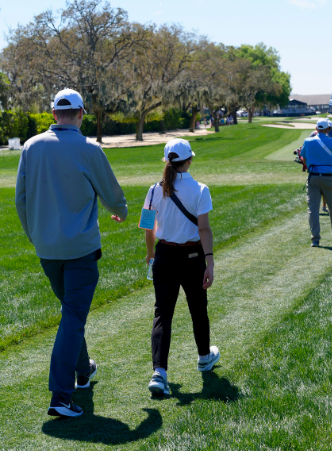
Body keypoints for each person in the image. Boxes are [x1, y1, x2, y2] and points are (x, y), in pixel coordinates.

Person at [15, 88, 129, 418]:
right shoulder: (89, 148)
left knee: (71, 314)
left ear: (54, 115)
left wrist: (36, 236)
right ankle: (60, 396)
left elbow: (20, 201)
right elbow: (112, 194)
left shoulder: (31, 147)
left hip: (47, 250)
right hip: (80, 250)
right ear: (81, 114)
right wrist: (120, 210)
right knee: (73, 318)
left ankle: (84, 371)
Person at [140, 138, 218, 396]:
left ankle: (159, 373)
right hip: (192, 255)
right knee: (198, 310)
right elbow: (203, 229)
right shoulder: (200, 189)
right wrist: (210, 262)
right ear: (189, 160)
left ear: (166, 161)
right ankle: (204, 358)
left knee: (163, 314)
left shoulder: (153, 190)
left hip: (164, 255)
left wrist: (151, 255)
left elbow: (148, 229)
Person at [300, 118, 332, 247]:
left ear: (316, 128)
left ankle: (315, 238)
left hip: (313, 177)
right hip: (328, 177)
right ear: (327, 129)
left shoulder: (307, 141)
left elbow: (303, 158)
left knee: (313, 209)